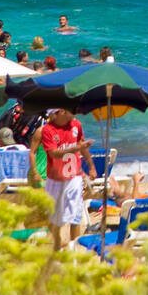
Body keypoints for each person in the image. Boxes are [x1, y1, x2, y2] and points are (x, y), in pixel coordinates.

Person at [39, 107, 97, 250]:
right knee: (55, 218)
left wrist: (91, 166)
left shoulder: (76, 125)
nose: (76, 112)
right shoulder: (47, 130)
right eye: (72, 110)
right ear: (61, 112)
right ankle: (56, 246)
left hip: (74, 177)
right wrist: (75, 148)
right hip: (55, 179)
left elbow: (82, 147)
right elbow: (54, 154)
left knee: (76, 215)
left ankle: (74, 246)